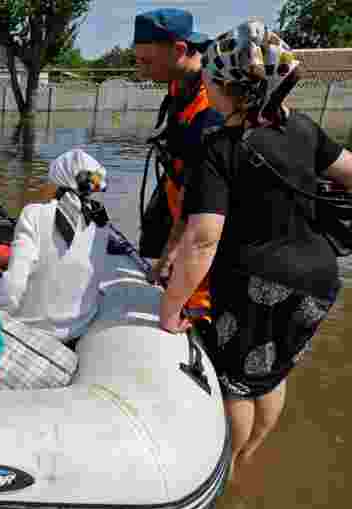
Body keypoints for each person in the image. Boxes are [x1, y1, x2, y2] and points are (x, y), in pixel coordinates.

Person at [159, 20, 352, 487]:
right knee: (272, 374)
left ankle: (229, 466)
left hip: (255, 283)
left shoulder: (221, 147)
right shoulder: (303, 129)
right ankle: (252, 454)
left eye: (211, 81)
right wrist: (340, 235)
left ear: (230, 90)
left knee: (237, 382)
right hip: (319, 279)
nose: (206, 88)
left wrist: (171, 309)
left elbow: (203, 239)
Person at [134, 8, 223, 318]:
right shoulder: (179, 82)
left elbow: (201, 200)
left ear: (180, 50)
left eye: (147, 62)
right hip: (176, 194)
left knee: (196, 298)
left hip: (200, 216)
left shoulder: (212, 107)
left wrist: (170, 253)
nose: (141, 70)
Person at [0, 149, 112, 348]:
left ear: (57, 180)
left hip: (31, 331)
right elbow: (69, 260)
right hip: (78, 330)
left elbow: (13, 288)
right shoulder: (101, 223)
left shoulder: (34, 214)